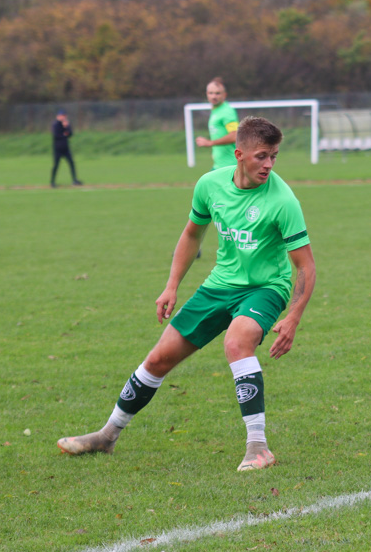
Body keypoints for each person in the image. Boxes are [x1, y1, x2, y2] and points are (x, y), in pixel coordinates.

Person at [58, 117, 316, 472]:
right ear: (239, 154)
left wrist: (293, 316)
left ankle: (258, 448)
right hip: (219, 285)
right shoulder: (210, 185)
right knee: (158, 359)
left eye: (274, 156)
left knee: (236, 343)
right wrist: (171, 285)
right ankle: (107, 435)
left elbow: (304, 265)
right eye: (262, 156)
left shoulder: (283, 200)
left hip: (265, 287)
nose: (269, 165)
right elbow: (192, 234)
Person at [195, 77, 239, 171]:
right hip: (219, 165)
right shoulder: (216, 110)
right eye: (211, 93)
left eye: (217, 93)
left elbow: (235, 135)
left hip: (229, 165)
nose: (214, 96)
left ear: (224, 95)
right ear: (207, 94)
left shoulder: (227, 111)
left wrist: (210, 143)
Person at [50, 110, 82, 187]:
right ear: (58, 116)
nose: (63, 117)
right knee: (56, 165)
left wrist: (66, 127)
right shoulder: (55, 124)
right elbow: (57, 135)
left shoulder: (66, 124)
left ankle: (74, 180)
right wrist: (65, 134)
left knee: (71, 163)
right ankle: (52, 182)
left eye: (64, 116)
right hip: (58, 149)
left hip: (66, 148)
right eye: (62, 115)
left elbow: (70, 134)